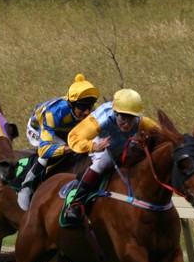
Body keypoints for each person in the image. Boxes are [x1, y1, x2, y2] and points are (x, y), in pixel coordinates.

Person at [63, 88, 159, 222]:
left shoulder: (141, 121)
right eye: (123, 118)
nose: (127, 124)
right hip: (102, 142)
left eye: (131, 119)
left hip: (124, 142)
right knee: (103, 162)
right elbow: (74, 138)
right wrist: (94, 146)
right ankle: (75, 203)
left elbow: (162, 134)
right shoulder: (100, 120)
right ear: (115, 113)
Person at [16, 74, 100, 211]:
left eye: (89, 108)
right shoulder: (54, 113)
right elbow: (44, 150)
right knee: (58, 149)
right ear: (72, 105)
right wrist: (70, 148)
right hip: (37, 129)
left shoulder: (90, 109)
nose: (87, 112)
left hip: (65, 129)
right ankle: (27, 184)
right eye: (82, 108)